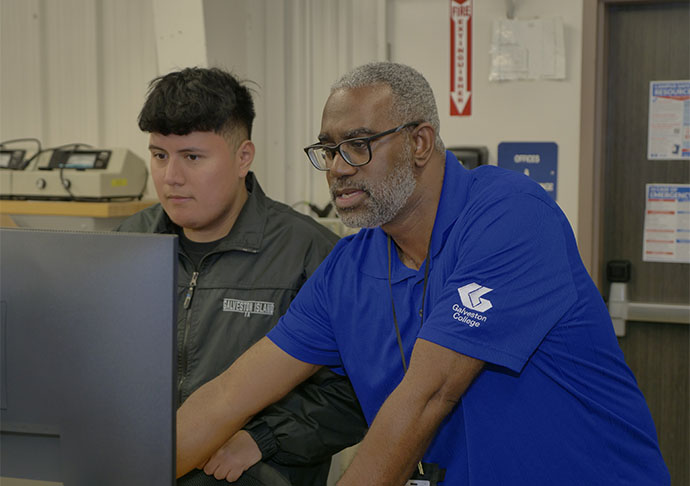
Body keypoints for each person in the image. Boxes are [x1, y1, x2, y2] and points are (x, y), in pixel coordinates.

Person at [174, 62, 670, 485]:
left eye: (359, 144)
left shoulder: (510, 216)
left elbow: (429, 394)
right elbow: (227, 395)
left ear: (420, 142)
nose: (338, 168)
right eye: (329, 149)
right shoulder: (349, 268)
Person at [117, 67, 367, 485]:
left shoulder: (311, 255)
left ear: (243, 157)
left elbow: (356, 390)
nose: (171, 177)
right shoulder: (127, 245)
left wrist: (264, 438)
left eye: (192, 157)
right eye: (160, 155)